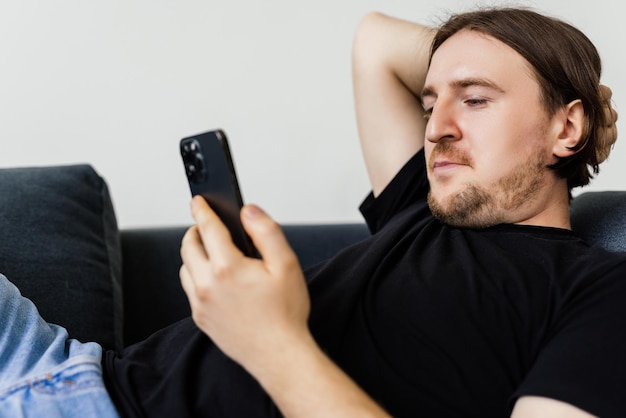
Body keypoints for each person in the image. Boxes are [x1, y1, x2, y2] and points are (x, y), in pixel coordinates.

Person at [0, 6, 624, 418]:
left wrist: (270, 339)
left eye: (477, 99)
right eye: (432, 102)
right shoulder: (422, 210)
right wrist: (518, 68)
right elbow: (374, 41)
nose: (436, 128)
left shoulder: (599, 296)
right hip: (48, 359)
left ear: (566, 126)